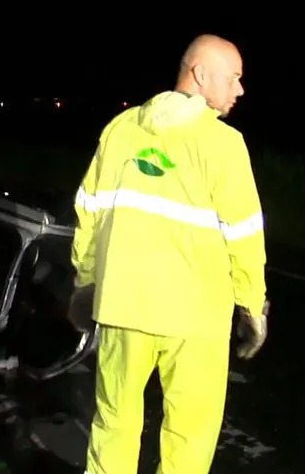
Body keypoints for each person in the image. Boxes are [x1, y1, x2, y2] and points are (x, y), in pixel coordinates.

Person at [70, 34, 270, 474]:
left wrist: (86, 282)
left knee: (114, 424)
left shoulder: (121, 131)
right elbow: (244, 236)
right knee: (189, 437)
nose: (240, 90)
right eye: (233, 77)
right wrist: (251, 306)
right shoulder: (223, 144)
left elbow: (89, 215)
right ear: (200, 74)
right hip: (196, 320)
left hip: (123, 306)